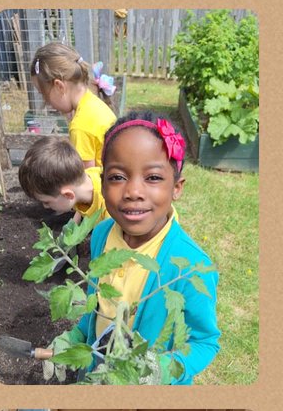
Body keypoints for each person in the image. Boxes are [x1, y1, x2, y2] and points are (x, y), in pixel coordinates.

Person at [49, 113, 220, 384]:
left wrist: (164, 368)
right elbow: (99, 305)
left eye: (152, 178)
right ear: (102, 184)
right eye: (117, 177)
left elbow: (205, 342)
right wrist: (77, 336)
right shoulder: (101, 235)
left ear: (176, 187)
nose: (133, 191)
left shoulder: (190, 266)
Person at [29, 43, 115, 169]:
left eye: (44, 94)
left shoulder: (80, 126)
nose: (46, 102)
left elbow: (85, 180)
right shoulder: (94, 103)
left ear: (59, 87)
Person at [17, 134, 105, 221]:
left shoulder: (110, 207)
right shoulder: (81, 183)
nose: (45, 206)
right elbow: (80, 206)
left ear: (68, 195)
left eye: (46, 202)